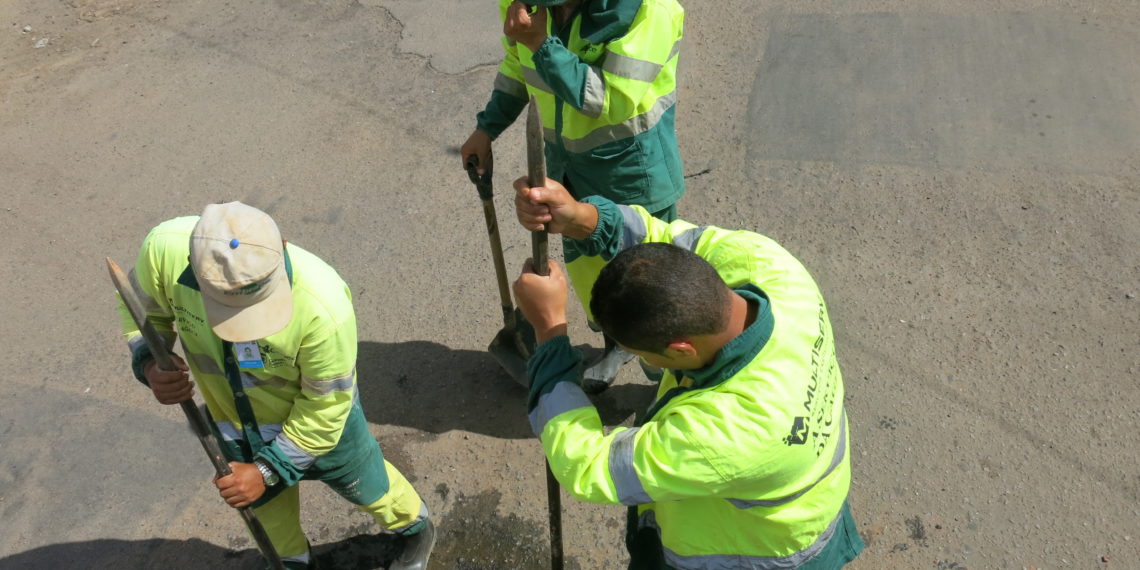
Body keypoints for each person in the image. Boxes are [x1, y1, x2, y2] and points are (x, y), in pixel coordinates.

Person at [510, 178, 864, 569]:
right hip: (802, 497)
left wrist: (550, 331)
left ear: (681, 349)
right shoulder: (773, 267)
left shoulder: (723, 433)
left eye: (643, 355)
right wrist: (582, 218)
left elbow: (587, 465)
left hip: (763, 553)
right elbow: (663, 241)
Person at [117, 202, 435, 570]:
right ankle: (291, 561)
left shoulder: (324, 306)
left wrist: (266, 470)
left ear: (282, 247)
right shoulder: (161, 251)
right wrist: (149, 361)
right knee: (265, 510)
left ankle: (416, 528)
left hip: (318, 428)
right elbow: (142, 311)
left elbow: (324, 408)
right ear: (193, 268)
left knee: (367, 484)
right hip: (234, 423)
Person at [461, 0, 686, 392]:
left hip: (632, 178)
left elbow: (608, 99)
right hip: (567, 172)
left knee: (653, 297)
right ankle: (617, 341)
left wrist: (542, 43)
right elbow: (518, 64)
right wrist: (487, 128)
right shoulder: (525, 5)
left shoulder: (648, 10)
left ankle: (667, 386)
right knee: (593, 278)